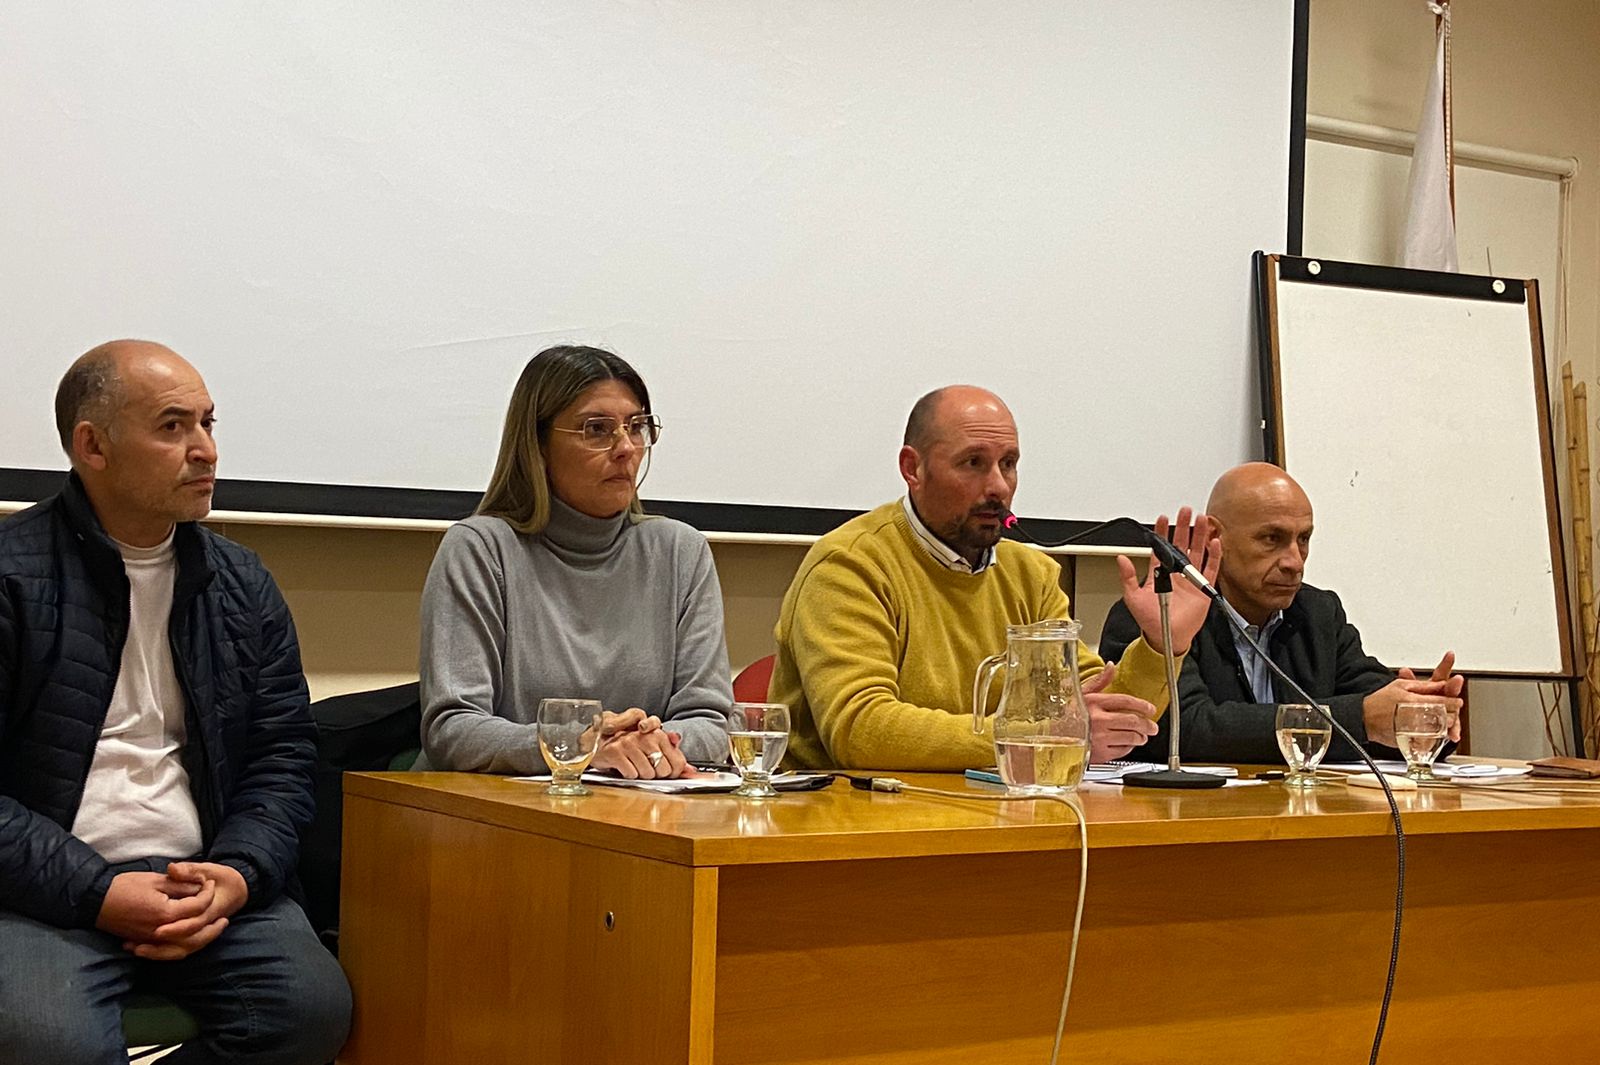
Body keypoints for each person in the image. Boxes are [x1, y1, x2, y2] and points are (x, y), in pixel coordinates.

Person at [0, 341, 351, 1065]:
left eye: (207, 422)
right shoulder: (10, 575)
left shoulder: (240, 583)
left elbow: (281, 754)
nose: (207, 449)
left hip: (204, 878)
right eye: (172, 427)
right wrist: (95, 891)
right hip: (46, 895)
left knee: (312, 1013)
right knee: (55, 1058)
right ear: (92, 446)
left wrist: (236, 872)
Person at [770, 385, 1219, 770]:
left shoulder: (1033, 574)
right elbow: (860, 729)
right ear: (913, 469)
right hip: (844, 828)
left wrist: (1163, 645)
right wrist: (1032, 740)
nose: (999, 486)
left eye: (1009, 463)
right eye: (973, 463)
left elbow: (1094, 707)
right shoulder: (851, 566)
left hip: (989, 815)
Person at [419, 345, 732, 779]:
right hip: (499, 818)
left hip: (637, 811)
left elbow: (712, 720)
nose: (626, 448)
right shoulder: (481, 548)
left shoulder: (680, 551)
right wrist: (575, 744)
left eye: (636, 427)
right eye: (597, 429)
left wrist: (648, 745)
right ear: (538, 445)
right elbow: (452, 729)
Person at [1098, 462, 1464, 762]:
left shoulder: (1317, 612)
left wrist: (1424, 714)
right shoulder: (1156, 613)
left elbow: (1375, 704)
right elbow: (1188, 729)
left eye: (1303, 539)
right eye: (1271, 539)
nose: (1294, 561)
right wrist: (1361, 718)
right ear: (1215, 537)